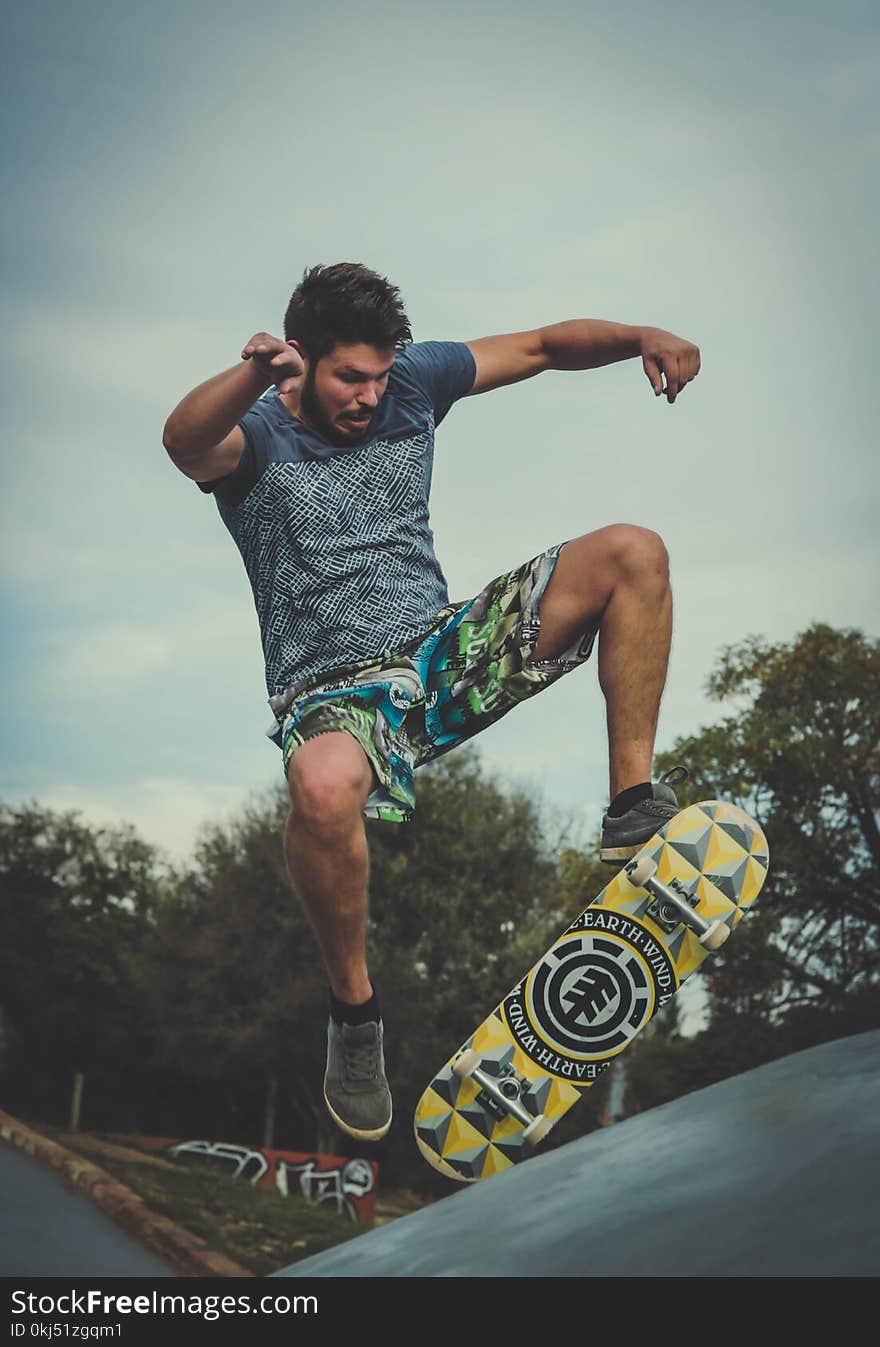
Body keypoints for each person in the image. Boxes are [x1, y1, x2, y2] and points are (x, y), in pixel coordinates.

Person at [162, 262, 700, 1143]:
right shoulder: (253, 437)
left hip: (444, 654)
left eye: (381, 375)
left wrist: (642, 335)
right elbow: (184, 442)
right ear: (300, 360)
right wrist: (253, 373)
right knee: (324, 785)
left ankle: (633, 805)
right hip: (335, 694)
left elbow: (540, 346)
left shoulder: (413, 382)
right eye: (349, 378)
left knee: (634, 552)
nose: (372, 397)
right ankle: (356, 1015)